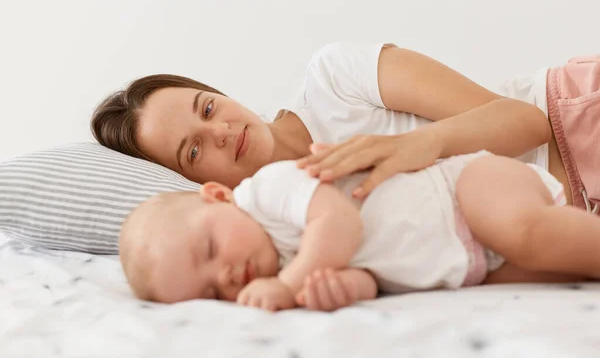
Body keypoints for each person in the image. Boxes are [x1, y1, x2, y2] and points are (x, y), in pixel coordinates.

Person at [92, 43, 600, 282]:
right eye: (195, 150)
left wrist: (421, 146)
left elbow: (528, 122)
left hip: (573, 128)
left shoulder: (333, 80)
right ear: (192, 182)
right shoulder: (280, 245)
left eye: (208, 107)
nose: (222, 131)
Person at [119, 151, 600, 312]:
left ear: (218, 196)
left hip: (465, 191)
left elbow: (340, 222)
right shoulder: (283, 269)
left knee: (523, 233)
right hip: (469, 264)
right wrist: (336, 290)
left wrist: (287, 288)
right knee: (548, 271)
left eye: (209, 248)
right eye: (209, 293)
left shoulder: (265, 192)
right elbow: (372, 278)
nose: (225, 275)